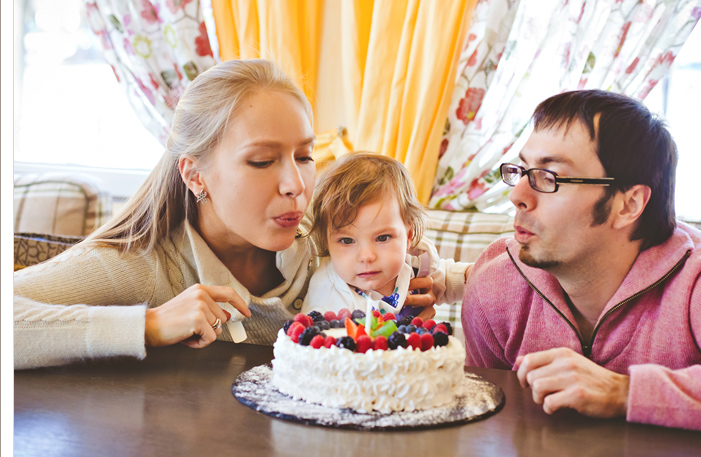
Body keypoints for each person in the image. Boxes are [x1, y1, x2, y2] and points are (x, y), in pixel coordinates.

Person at [13, 59, 436, 370]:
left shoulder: (325, 240)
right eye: (262, 161)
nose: (295, 185)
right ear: (196, 176)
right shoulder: (142, 265)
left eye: (304, 156)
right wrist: (149, 324)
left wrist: (403, 290)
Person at [462, 89, 701, 431]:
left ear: (628, 205)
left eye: (550, 177)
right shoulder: (495, 285)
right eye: (522, 170)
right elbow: (483, 415)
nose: (517, 195)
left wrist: (625, 392)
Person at [302, 151, 471, 317]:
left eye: (382, 238)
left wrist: (471, 274)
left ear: (409, 236)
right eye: (346, 240)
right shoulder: (327, 295)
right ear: (327, 242)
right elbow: (318, 342)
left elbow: (445, 279)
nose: (366, 256)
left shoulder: (417, 261)